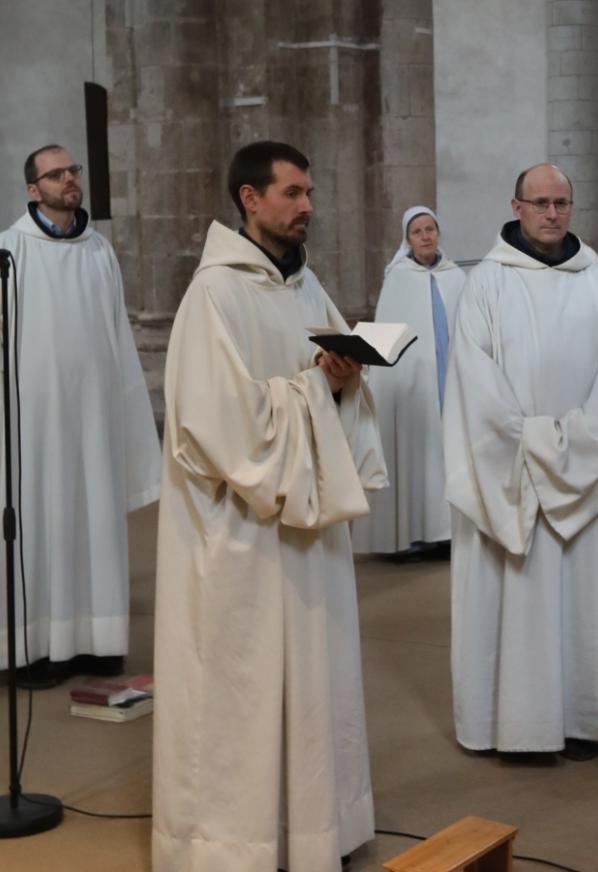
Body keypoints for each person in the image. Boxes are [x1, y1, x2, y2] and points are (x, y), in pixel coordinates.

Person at [152, 141, 387, 871]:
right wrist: (316, 390)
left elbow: (326, 391)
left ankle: (312, 829)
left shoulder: (306, 289)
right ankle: (235, 845)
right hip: (240, 537)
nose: (307, 205)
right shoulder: (214, 295)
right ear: (250, 199)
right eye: (292, 193)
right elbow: (218, 426)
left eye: (310, 192)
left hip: (306, 534)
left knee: (313, 685)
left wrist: (344, 382)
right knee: (240, 691)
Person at [443, 163, 598, 758]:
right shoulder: (487, 284)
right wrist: (545, 446)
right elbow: (476, 387)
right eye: (541, 203)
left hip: (585, 474)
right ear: (516, 206)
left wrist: (573, 444)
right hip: (515, 473)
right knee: (519, 598)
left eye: (562, 203)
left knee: (587, 602)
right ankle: (516, 726)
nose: (553, 214)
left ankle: (586, 717)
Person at [0, 144, 159, 688]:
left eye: (73, 171)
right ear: (32, 189)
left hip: (93, 419)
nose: (69, 179)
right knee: (39, 522)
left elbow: (117, 337)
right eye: (56, 174)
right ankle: (33, 648)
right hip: (32, 425)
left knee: (93, 517)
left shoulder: (98, 252)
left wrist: (125, 412)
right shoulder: (9, 251)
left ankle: (96, 641)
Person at [352, 206, 465, 557]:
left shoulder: (456, 276)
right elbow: (389, 339)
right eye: (418, 231)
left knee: (449, 453)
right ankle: (412, 536)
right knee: (417, 455)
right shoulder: (398, 278)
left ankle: (448, 532)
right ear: (408, 239)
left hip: (450, 381)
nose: (426, 236)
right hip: (413, 388)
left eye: (431, 229)